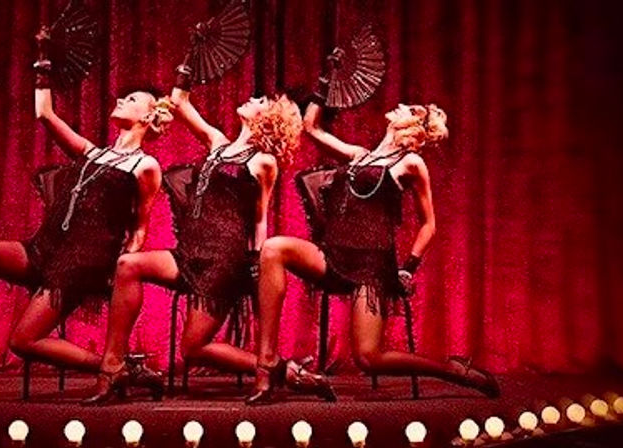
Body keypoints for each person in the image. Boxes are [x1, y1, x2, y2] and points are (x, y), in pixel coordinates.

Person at [0, 29, 169, 406]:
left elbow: (140, 226)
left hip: (81, 262)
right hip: (45, 248)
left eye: (131, 99)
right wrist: (43, 60)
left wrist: (122, 269)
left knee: (22, 341)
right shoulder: (92, 152)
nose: (120, 99)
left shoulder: (145, 166)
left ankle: (116, 366)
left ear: (148, 116)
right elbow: (44, 114)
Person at [84, 61, 334, 404]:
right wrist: (185, 69)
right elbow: (180, 103)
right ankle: (112, 368)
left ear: (268, 118)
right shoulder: (217, 141)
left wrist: (256, 263)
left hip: (222, 261)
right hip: (188, 252)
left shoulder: (263, 162)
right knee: (128, 265)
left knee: (193, 347)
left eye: (261, 101)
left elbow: (259, 218)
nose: (252, 98)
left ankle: (282, 370)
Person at [250, 80, 500, 401]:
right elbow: (311, 128)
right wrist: (325, 85)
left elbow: (429, 225)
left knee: (368, 358)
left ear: (414, 126)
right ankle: (267, 362)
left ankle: (451, 369)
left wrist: (408, 267)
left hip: (370, 266)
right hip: (332, 256)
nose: (399, 106)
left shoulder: (410, 163)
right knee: (273, 248)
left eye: (408, 109)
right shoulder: (359, 155)